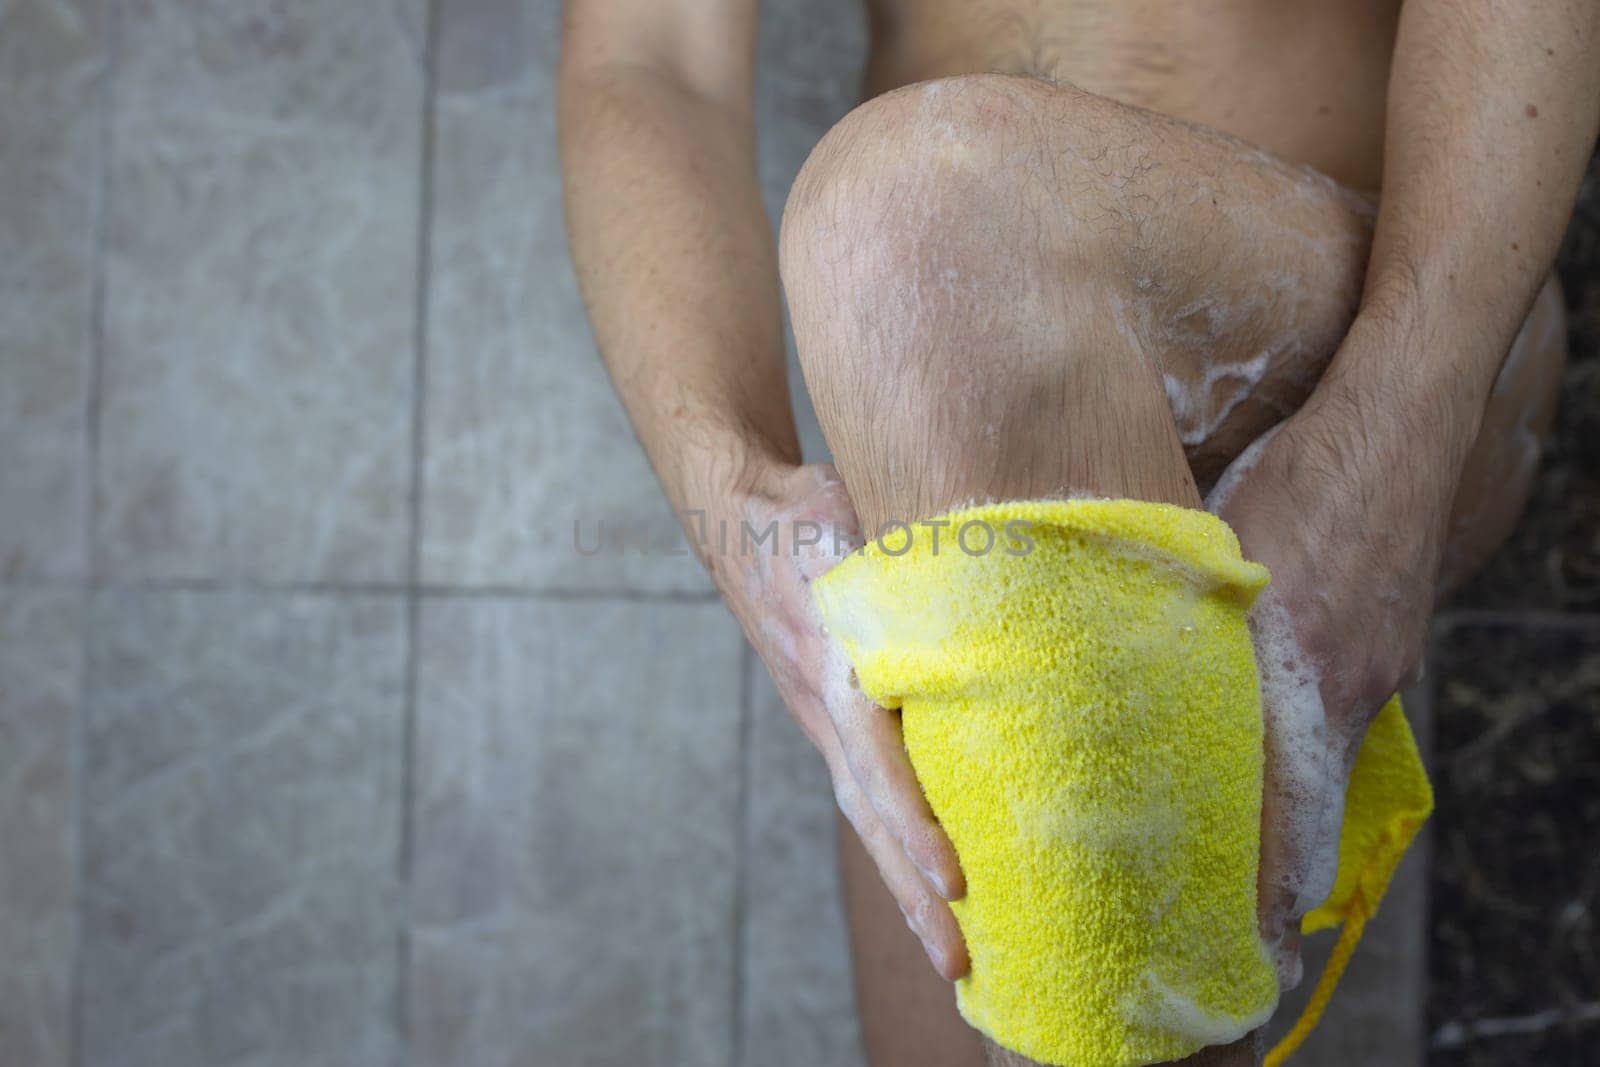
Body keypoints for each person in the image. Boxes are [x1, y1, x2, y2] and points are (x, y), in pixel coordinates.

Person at [557, 2, 1599, 1063]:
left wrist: (1399, 424)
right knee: (1024, 1008)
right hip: (956, 462)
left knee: (922, 210)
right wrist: (738, 500)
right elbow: (652, 58)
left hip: (1369, 322)